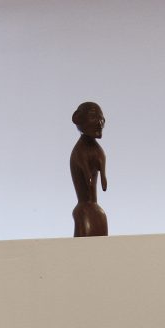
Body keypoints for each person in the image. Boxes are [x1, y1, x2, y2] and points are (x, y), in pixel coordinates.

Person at [70, 101, 108, 236]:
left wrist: (102, 175)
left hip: (93, 206)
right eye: (93, 116)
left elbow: (102, 180)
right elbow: (89, 178)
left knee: (99, 219)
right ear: (77, 118)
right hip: (84, 205)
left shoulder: (97, 150)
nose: (100, 122)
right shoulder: (79, 151)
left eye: (101, 118)